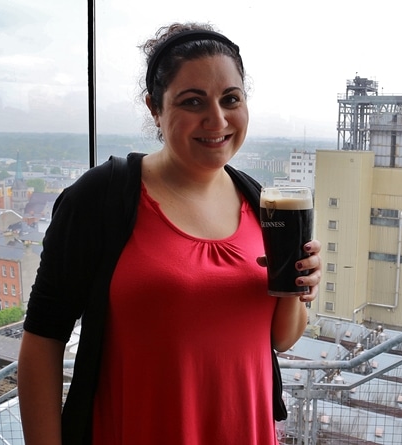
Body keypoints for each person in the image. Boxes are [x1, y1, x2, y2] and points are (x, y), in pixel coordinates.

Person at [17, 22, 322, 445]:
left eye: (230, 98)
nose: (216, 119)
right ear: (155, 109)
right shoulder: (103, 197)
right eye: (192, 101)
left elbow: (280, 340)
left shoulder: (262, 202)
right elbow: (42, 339)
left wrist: (297, 283)